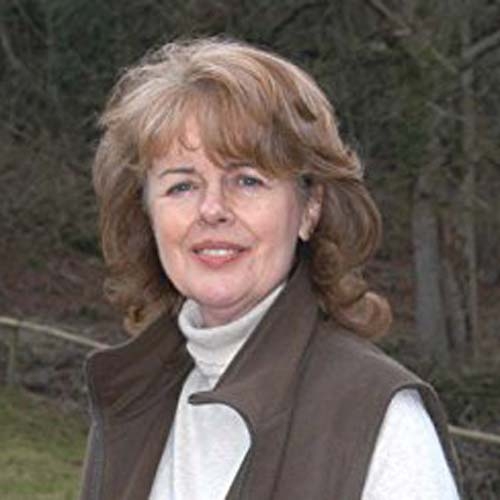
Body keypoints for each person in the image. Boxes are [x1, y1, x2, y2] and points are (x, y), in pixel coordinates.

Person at [80, 38, 461, 500]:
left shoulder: (380, 421)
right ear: (147, 213)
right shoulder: (132, 400)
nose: (212, 209)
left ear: (309, 208)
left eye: (247, 180)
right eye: (182, 186)